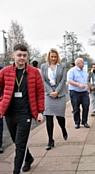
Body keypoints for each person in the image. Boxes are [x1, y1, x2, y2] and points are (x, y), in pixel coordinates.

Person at [0, 44, 44, 173]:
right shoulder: (5, 71)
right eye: (19, 55)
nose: (22, 58)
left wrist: (40, 112)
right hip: (9, 112)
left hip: (25, 113)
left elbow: (40, 92)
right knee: (16, 140)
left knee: (20, 144)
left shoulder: (34, 72)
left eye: (24, 55)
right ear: (13, 55)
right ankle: (28, 158)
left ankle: (16, 171)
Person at [41, 48, 68, 150]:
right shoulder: (43, 66)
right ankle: (50, 140)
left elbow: (63, 80)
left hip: (59, 94)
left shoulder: (62, 66)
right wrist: (50, 91)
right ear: (49, 57)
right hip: (48, 94)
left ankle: (63, 129)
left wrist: (57, 91)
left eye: (55, 57)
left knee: (60, 117)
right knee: (48, 117)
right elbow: (43, 80)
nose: (53, 58)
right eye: (51, 56)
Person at [67, 58, 90, 129]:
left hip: (84, 92)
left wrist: (88, 88)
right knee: (76, 108)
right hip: (75, 92)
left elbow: (87, 80)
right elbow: (69, 81)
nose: (83, 64)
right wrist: (78, 85)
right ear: (78, 64)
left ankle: (84, 121)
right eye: (82, 63)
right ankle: (77, 122)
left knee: (86, 106)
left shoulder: (85, 71)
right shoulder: (72, 71)